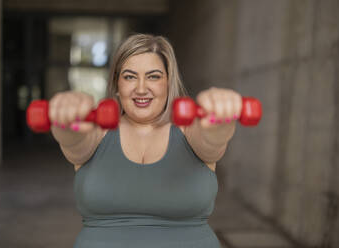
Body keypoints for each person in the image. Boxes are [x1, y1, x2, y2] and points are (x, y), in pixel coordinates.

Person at [49, 33, 242, 248]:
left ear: (169, 82)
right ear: (116, 84)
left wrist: (222, 119)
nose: (141, 88)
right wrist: (65, 119)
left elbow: (212, 140)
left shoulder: (191, 129)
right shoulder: (96, 131)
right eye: (130, 77)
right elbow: (74, 140)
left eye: (154, 76)